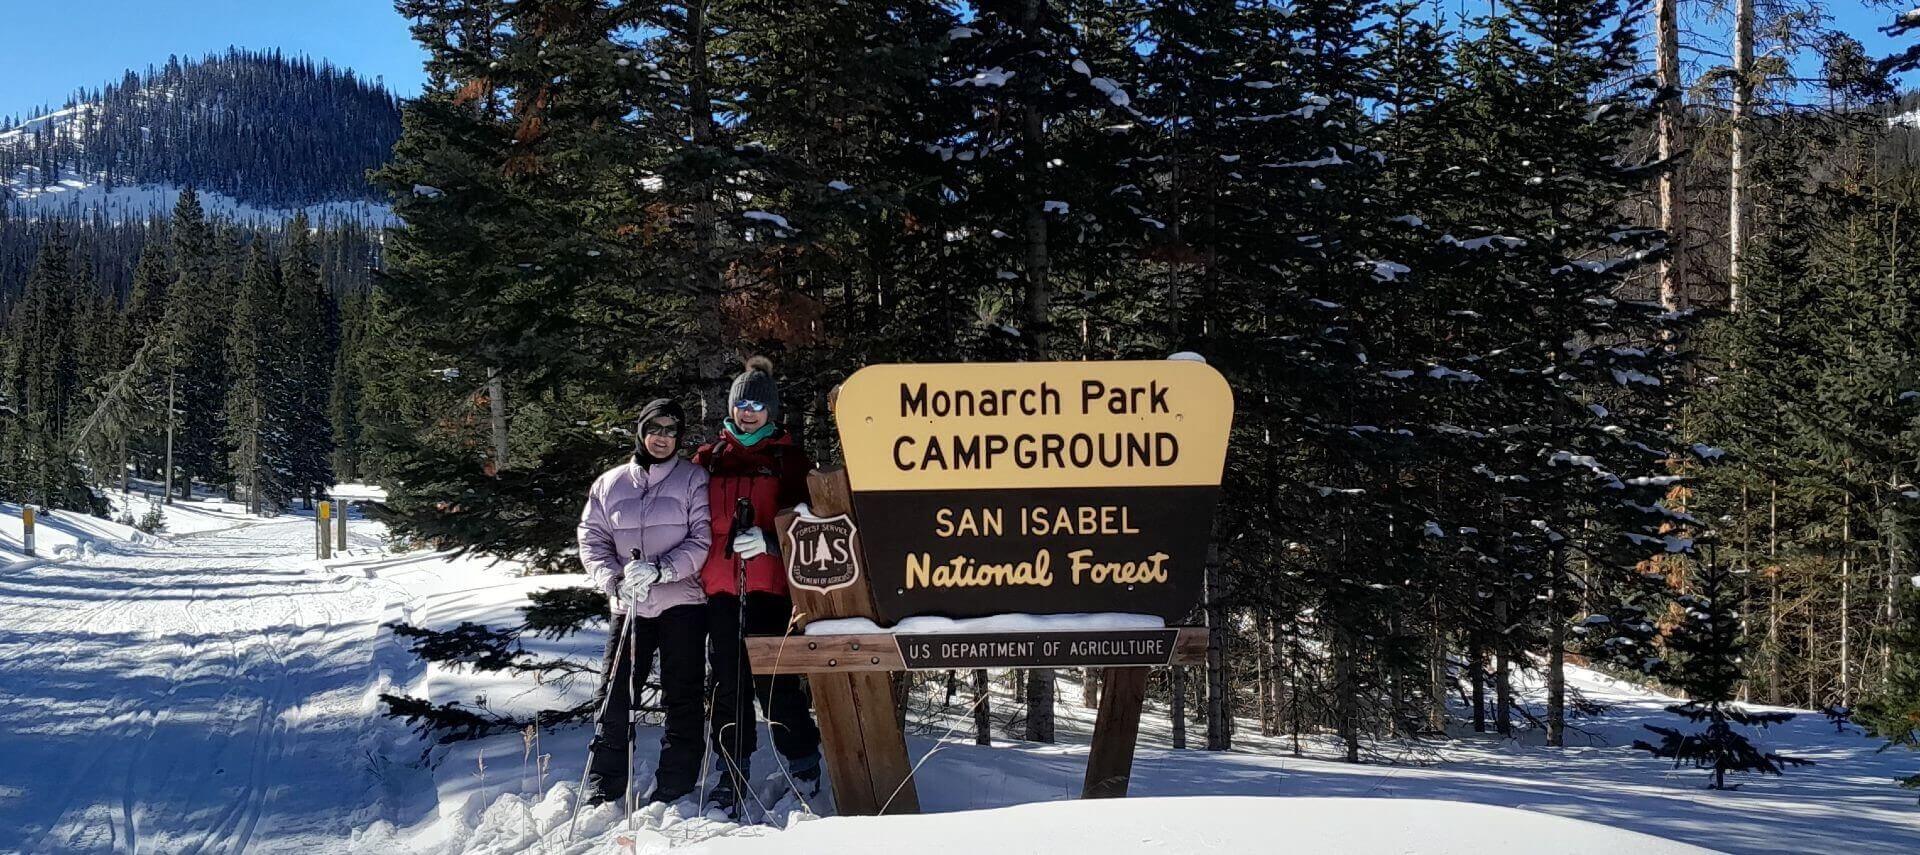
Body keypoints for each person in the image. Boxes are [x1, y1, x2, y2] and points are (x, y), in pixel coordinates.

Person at [695, 356, 824, 816]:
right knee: (727, 687)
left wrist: (771, 540)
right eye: (740, 403)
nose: (748, 411)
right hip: (722, 592)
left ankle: (805, 769)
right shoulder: (709, 459)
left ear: (770, 410)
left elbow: (817, 527)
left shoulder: (790, 460)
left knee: (778, 687)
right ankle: (729, 774)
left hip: (772, 592)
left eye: (756, 404)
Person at [577, 398, 712, 808]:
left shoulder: (693, 479)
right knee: (615, 693)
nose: (662, 438)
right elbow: (592, 540)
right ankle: (606, 780)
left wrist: (662, 570)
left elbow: (702, 539)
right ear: (640, 430)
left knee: (682, 693)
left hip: (682, 602)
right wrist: (614, 582)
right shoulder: (610, 484)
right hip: (630, 605)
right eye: (655, 428)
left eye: (672, 431)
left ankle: (676, 781)